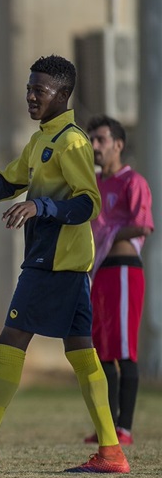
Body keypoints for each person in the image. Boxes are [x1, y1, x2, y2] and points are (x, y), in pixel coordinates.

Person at [0, 55, 130, 474]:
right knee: (82, 353)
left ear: (62, 95)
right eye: (28, 88)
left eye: (38, 90)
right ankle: (111, 452)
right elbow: (5, 183)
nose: (29, 96)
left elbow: (87, 203)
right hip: (66, 266)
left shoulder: (73, 142)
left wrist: (39, 205)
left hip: (53, 262)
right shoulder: (42, 140)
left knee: (10, 341)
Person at [83, 115, 154, 446]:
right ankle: (107, 427)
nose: (95, 146)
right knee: (101, 350)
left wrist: (109, 232)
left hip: (125, 270)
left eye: (101, 140)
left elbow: (143, 224)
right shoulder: (92, 184)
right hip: (98, 273)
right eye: (92, 140)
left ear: (118, 145)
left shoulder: (132, 182)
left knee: (124, 351)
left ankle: (124, 428)